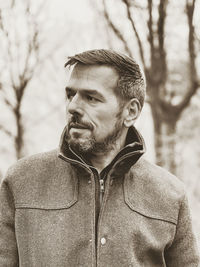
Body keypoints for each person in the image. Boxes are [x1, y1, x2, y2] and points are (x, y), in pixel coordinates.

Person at [0, 49, 199, 266]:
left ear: (131, 111)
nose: (73, 107)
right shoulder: (21, 182)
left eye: (91, 98)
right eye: (70, 95)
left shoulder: (170, 196)